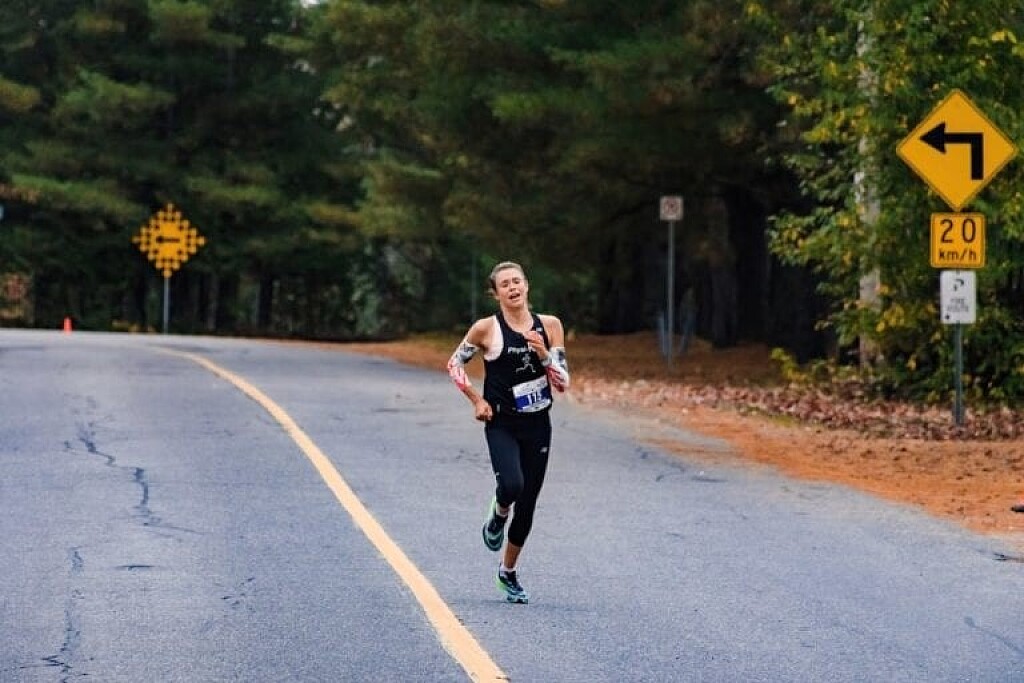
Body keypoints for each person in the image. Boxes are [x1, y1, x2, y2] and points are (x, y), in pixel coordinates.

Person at [446, 261, 570, 604]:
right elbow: (454, 363)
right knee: (512, 485)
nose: (513, 288)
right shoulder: (486, 329)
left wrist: (544, 356)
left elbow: (563, 383)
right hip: (501, 422)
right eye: (505, 284)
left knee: (527, 505)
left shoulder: (550, 326)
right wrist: (476, 400)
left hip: (538, 424)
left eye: (517, 281)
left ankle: (508, 572)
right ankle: (499, 514)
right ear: (496, 293)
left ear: (527, 285)